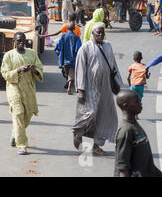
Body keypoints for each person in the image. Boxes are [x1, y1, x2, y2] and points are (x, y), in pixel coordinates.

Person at [73, 23, 121, 156]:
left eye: (102, 32)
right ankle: (78, 132)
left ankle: (97, 145)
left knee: (106, 115)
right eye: (98, 32)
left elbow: (113, 65)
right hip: (90, 87)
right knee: (90, 113)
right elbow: (80, 69)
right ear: (92, 33)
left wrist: (116, 83)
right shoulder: (85, 48)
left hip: (105, 86)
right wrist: (80, 90)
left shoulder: (108, 45)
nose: (100, 34)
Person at [1, 32, 43, 155]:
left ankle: (15, 133)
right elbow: (5, 73)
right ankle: (22, 145)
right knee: (18, 113)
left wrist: (33, 69)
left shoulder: (32, 54)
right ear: (14, 41)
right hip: (14, 88)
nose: (21, 43)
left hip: (28, 88)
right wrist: (19, 70)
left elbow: (39, 69)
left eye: (23, 41)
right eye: (18, 40)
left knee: (27, 115)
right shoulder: (8, 56)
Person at [114, 90, 162, 177]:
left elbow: (146, 163)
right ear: (126, 105)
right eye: (137, 101)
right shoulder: (125, 131)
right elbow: (123, 167)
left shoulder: (134, 124)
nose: (141, 103)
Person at [54, 22, 82, 95]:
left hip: (64, 59)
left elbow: (57, 47)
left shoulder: (63, 36)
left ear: (67, 28)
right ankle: (69, 86)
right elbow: (79, 49)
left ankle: (68, 84)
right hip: (73, 59)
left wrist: (59, 54)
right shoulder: (76, 38)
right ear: (74, 29)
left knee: (66, 72)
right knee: (71, 73)